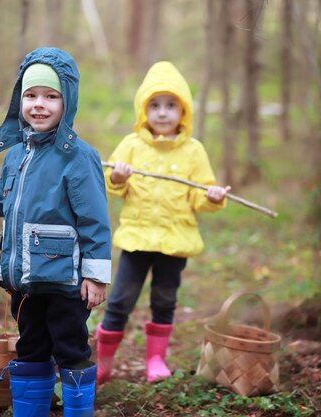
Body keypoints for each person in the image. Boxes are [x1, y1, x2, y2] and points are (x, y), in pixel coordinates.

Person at [0, 47, 111, 417]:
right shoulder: (16, 154)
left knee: (70, 347)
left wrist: (95, 276)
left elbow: (95, 221)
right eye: (30, 95)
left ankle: (77, 410)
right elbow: (2, 199)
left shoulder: (78, 157)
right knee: (31, 345)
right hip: (25, 283)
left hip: (66, 283)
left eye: (51, 97)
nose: (39, 105)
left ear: (68, 102)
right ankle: (29, 410)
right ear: (19, 99)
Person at [96, 61, 230, 384]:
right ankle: (102, 362)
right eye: (154, 105)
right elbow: (111, 183)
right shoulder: (131, 145)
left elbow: (199, 198)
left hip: (174, 241)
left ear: (183, 111)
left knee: (164, 300)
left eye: (171, 105)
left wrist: (211, 196)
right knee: (120, 301)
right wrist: (116, 176)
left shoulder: (194, 151)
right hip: (137, 239)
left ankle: (156, 359)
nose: (162, 113)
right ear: (144, 110)